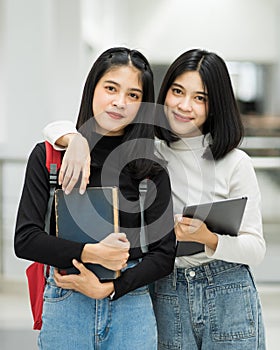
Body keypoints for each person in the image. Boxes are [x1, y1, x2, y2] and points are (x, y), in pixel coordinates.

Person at [42, 48, 266, 349]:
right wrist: (77, 139)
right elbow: (55, 128)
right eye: (177, 91)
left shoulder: (235, 162)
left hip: (226, 288)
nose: (185, 105)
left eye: (200, 98)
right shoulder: (147, 151)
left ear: (215, 106)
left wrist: (209, 238)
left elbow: (256, 249)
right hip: (166, 286)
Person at [15, 47, 176, 350]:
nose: (119, 102)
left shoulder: (150, 168)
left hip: (131, 306)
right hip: (67, 302)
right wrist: (91, 253)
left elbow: (164, 255)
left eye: (133, 95)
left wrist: (111, 288)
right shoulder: (49, 157)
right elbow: (25, 239)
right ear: (93, 88)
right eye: (111, 88)